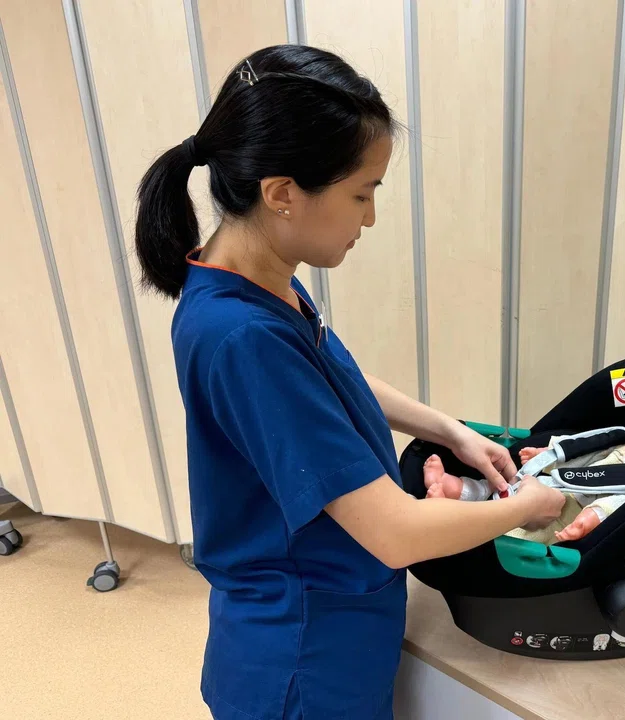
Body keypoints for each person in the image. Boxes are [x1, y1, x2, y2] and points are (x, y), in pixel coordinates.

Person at [133, 45, 566, 720]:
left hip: (327, 632)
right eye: (361, 194)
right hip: (304, 660)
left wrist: (447, 429)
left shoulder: (256, 283)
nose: (369, 217)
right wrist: (525, 507)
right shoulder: (242, 335)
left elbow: (331, 373)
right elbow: (392, 534)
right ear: (281, 194)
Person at [422, 405, 625, 543]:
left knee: (506, 521)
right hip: (540, 483)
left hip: (559, 514)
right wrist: (547, 455)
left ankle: (453, 511)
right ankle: (456, 488)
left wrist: (589, 520)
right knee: (499, 484)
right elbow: (582, 456)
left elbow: (614, 508)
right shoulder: (618, 448)